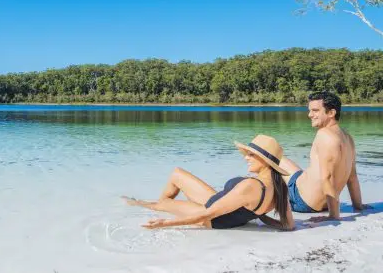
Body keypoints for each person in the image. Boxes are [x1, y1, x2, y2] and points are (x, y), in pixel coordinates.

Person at [123, 134, 294, 230]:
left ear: (265, 161)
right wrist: (260, 217)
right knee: (177, 174)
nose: (246, 158)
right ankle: (150, 205)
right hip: (220, 204)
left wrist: (165, 223)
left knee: (163, 203)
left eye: (251, 155)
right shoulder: (279, 186)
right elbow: (289, 225)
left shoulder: (251, 186)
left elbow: (208, 214)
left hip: (212, 217)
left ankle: (139, 204)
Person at [279, 91, 369, 222]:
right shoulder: (347, 137)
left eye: (315, 111)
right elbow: (352, 176)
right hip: (323, 203)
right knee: (283, 161)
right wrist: (358, 206)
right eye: (310, 110)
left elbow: (327, 178)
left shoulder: (324, 135)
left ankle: (260, 197)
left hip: (302, 201)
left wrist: (333, 216)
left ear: (331, 113)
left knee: (270, 156)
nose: (310, 115)